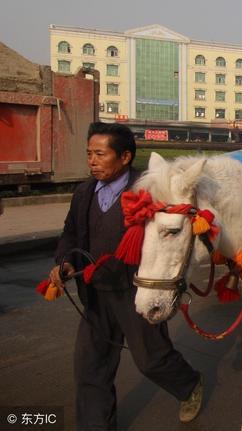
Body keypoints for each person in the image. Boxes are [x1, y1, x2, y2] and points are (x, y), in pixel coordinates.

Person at [47, 122, 203, 430]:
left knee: (151, 360)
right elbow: (71, 233)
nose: (92, 161)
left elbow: (170, 234)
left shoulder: (148, 189)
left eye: (100, 154)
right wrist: (64, 262)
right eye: (89, 153)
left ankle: (189, 385)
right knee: (90, 368)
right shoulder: (83, 193)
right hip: (94, 292)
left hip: (135, 290)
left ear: (125, 157)